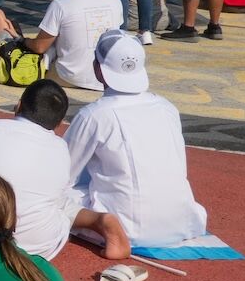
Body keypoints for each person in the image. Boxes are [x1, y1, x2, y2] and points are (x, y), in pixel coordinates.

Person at [0, 79, 129, 263]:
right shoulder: (60, 148)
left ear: (18, 106)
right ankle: (99, 220)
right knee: (55, 204)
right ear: (59, 124)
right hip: (36, 246)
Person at [65, 31, 209, 247]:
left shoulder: (94, 115)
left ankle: (107, 228)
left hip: (126, 227)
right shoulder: (167, 107)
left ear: (98, 69)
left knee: (57, 197)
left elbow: (64, 171)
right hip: (185, 223)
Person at [24, 0, 125, 91]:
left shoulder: (60, 4)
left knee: (50, 46)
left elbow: (40, 47)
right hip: (105, 77)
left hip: (69, 77)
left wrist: (23, 40)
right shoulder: (115, 0)